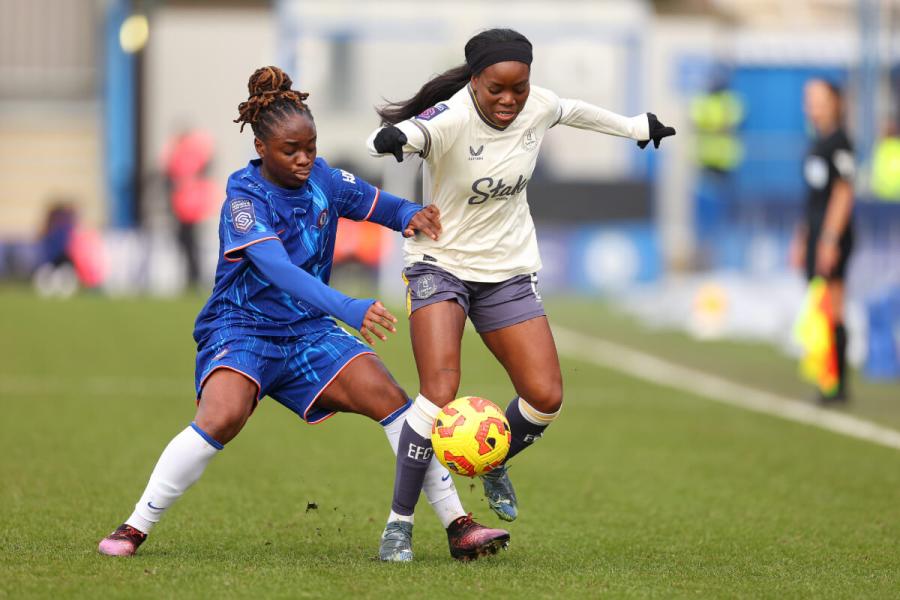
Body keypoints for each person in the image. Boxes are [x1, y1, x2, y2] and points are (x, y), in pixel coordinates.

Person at [97, 66, 509, 562]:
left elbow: (377, 203)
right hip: (243, 328)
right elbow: (277, 270)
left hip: (308, 332)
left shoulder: (324, 179)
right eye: (291, 150)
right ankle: (135, 526)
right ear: (260, 149)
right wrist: (349, 308)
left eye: (310, 147)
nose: (303, 158)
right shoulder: (244, 201)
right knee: (221, 416)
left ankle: (459, 526)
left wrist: (409, 216)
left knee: (391, 398)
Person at [365, 28, 675, 556]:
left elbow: (575, 110)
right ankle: (399, 525)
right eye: (496, 90)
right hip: (440, 264)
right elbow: (415, 133)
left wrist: (634, 127)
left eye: (520, 88)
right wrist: (396, 139)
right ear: (475, 82)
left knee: (546, 397)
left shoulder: (538, 106)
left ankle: (494, 459)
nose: (509, 100)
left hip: (508, 270)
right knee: (438, 391)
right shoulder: (452, 116)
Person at [789, 79, 855, 403]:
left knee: (834, 308)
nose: (811, 105)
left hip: (833, 237)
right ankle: (825, 377)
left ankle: (837, 385)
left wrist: (829, 239)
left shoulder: (840, 142)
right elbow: (813, 198)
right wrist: (803, 238)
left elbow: (843, 194)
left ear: (834, 103)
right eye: (808, 99)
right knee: (819, 308)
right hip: (816, 235)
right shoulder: (816, 142)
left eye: (817, 99)